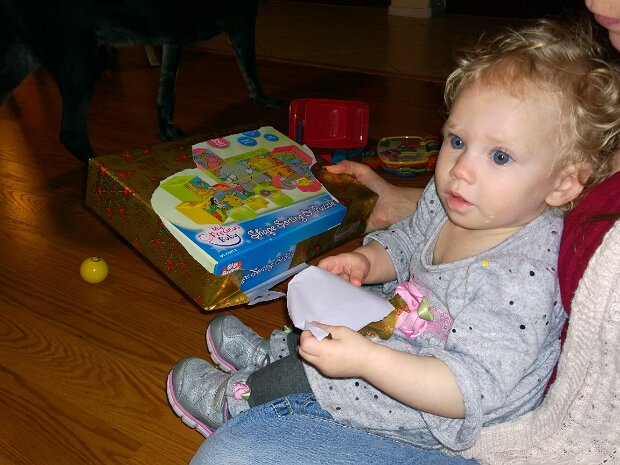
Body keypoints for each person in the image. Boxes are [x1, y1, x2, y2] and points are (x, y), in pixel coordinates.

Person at [166, 16, 620, 465]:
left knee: (330, 378)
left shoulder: (520, 278)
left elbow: (468, 389)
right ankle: (281, 356)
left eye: (500, 156)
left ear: (563, 184)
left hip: (436, 404)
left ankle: (242, 398)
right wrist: (368, 260)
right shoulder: (455, 199)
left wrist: (367, 361)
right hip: (410, 325)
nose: (461, 169)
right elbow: (407, 240)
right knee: (345, 317)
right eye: (457, 140)